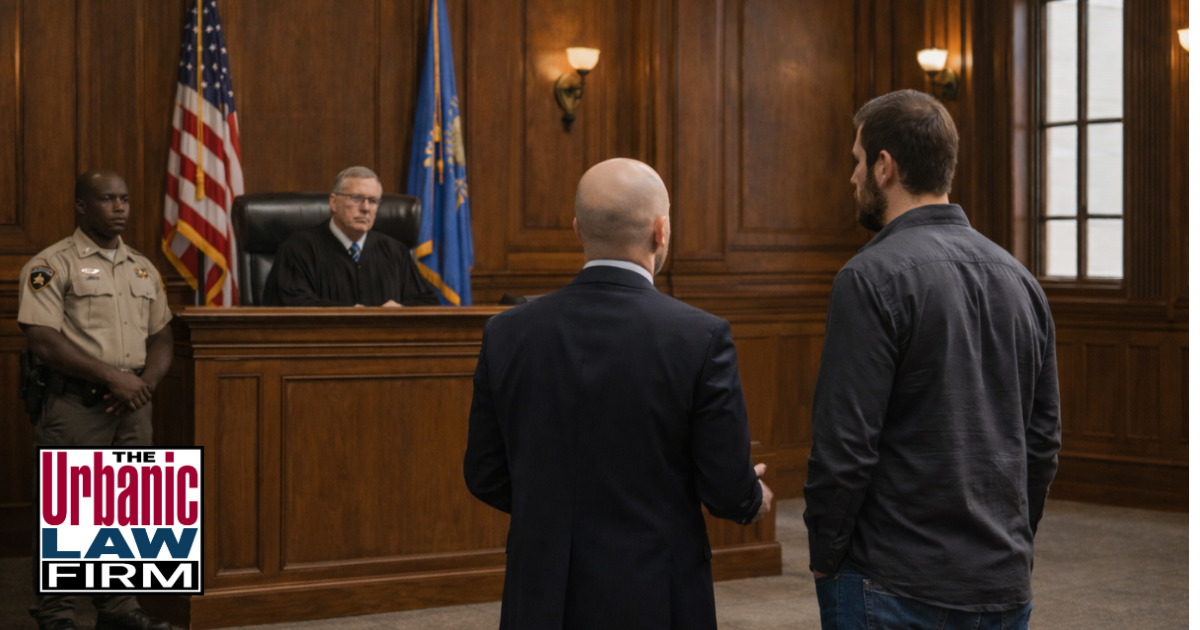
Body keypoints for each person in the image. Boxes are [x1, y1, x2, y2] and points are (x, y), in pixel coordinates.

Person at [464, 158, 773, 630]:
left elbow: (484, 472)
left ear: (577, 230)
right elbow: (726, 487)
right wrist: (751, 496)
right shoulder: (700, 337)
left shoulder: (506, 332)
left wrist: (556, 510)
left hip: (541, 585)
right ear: (661, 231)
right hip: (654, 589)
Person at [803, 89, 1061, 629]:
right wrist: (1012, 542)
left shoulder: (867, 278)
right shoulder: (1022, 281)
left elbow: (844, 446)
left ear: (885, 167)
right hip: (1002, 581)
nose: (852, 177)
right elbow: (1042, 442)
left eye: (857, 161)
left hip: (893, 584)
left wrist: (826, 557)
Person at [18, 170, 174, 630]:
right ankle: (57, 614)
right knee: (66, 511)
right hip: (77, 405)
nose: (120, 207)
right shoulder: (52, 264)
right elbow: (42, 340)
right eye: (107, 199)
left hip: (133, 406)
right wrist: (113, 378)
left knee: (128, 509)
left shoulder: (143, 267)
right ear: (82, 206)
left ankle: (119, 607)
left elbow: (162, 336)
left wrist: (143, 386)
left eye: (124, 198)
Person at [261, 166, 440, 306]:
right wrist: (349, 314)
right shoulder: (298, 250)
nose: (366, 208)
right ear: (333, 202)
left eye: (373, 201)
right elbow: (290, 307)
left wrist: (401, 309)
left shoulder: (395, 252)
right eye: (356, 198)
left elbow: (427, 303)